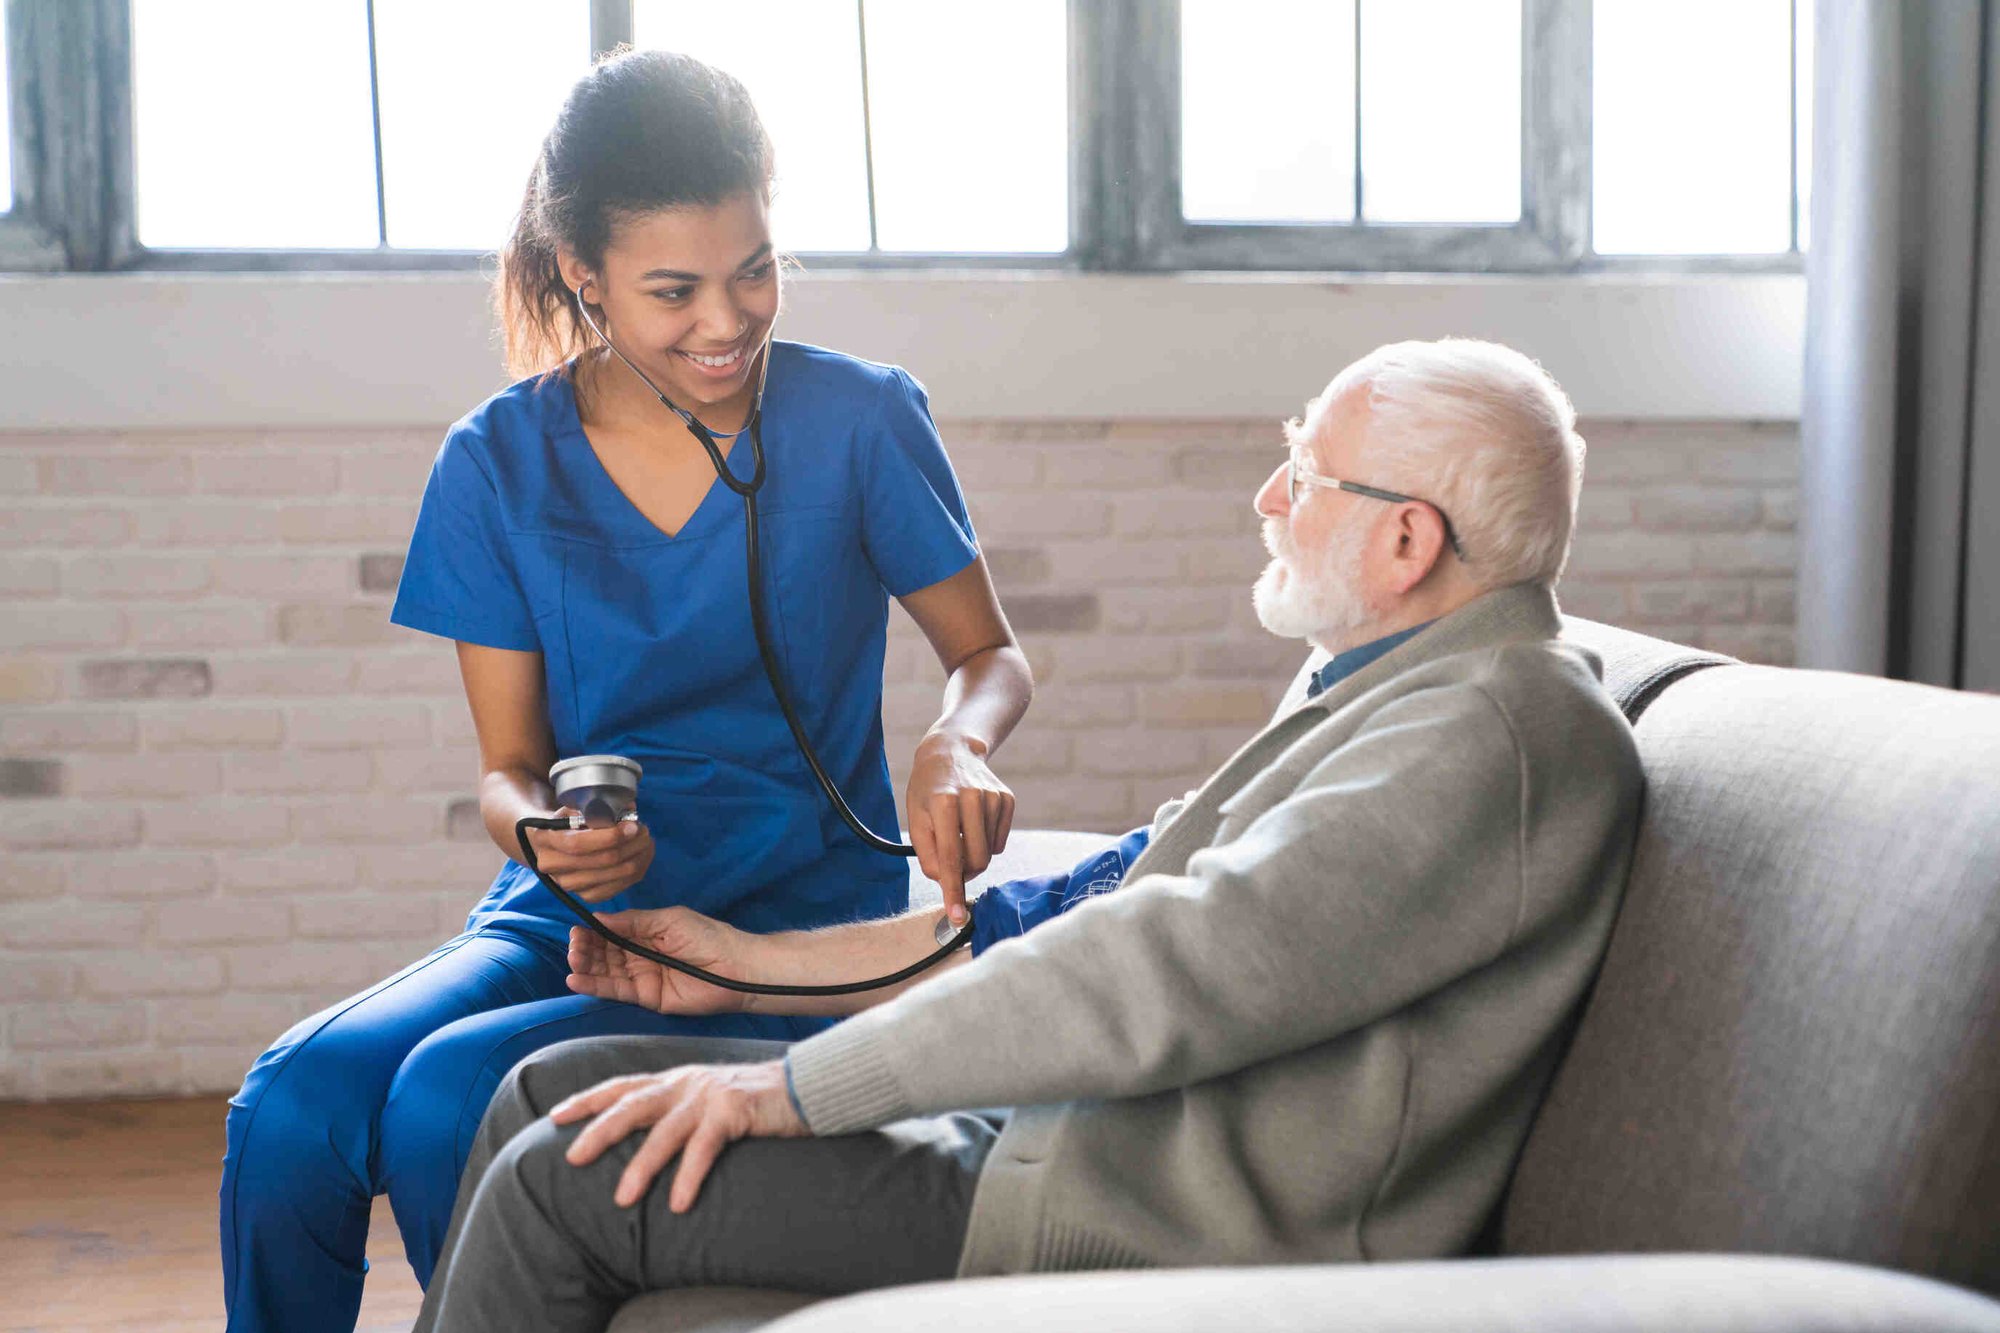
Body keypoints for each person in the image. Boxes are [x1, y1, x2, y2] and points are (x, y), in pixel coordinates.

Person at [411, 337, 1648, 1332]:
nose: (1267, 497)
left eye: (1306, 473)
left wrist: (788, 1090)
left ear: (1403, 539)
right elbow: (1076, 910)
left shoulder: (1496, 734)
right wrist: (726, 961)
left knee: (570, 1168)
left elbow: (1156, 970)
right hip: (1059, 1134)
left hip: (1153, 1218)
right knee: (545, 1089)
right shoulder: (1389, 689)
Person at [218, 50, 1032, 1333]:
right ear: (580, 276)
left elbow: (989, 658)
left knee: (445, 1100)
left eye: (753, 269)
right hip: (574, 906)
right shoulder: (497, 460)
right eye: (673, 290)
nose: (727, 320)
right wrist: (544, 837)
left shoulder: (863, 419)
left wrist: (955, 742)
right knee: (296, 1101)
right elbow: (507, 771)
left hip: (791, 913)